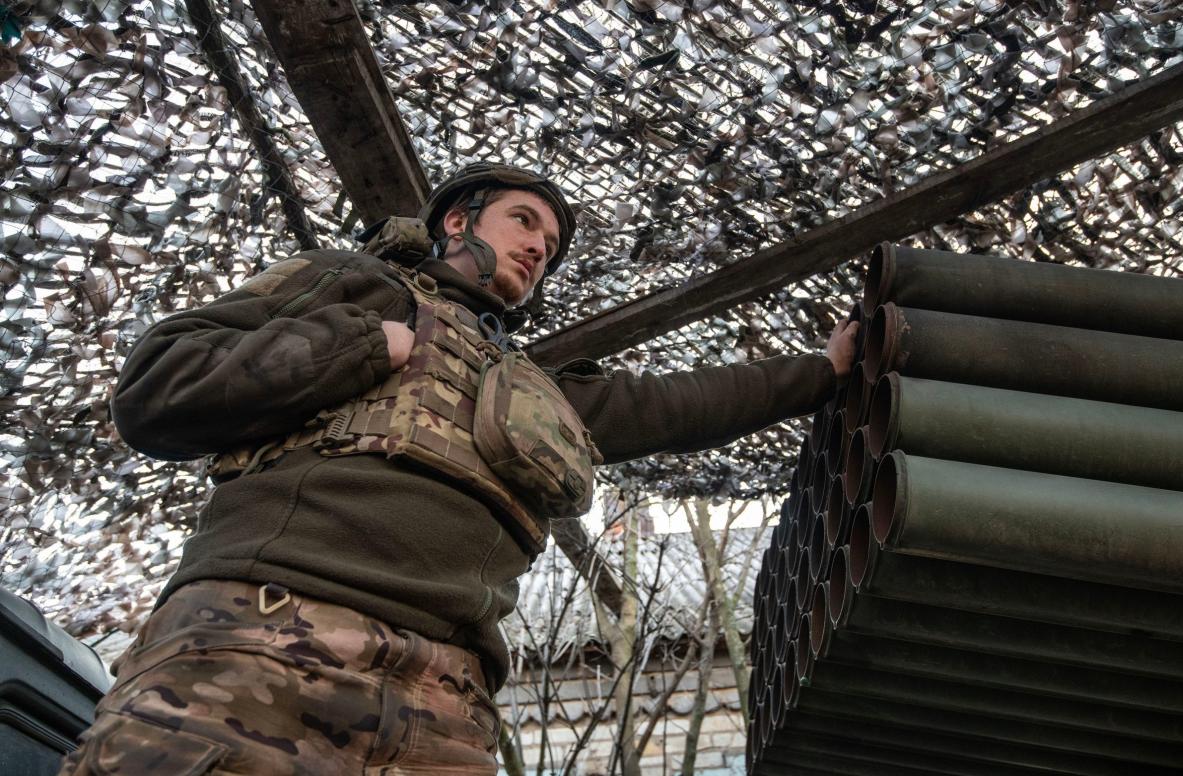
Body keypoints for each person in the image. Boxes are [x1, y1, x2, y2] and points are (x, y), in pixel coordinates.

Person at [60, 163, 858, 775]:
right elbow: (157, 387)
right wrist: (362, 344)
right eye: (524, 221)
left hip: (447, 697)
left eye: (547, 246)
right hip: (260, 634)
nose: (539, 246)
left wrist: (823, 372)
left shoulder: (534, 387)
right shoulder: (349, 283)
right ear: (456, 222)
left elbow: (681, 403)